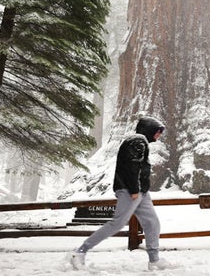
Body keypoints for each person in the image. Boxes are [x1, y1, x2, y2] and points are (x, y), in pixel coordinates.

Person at [68, 116, 174, 271]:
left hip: (141, 192)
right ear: (149, 129)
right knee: (117, 223)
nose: (159, 135)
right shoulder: (137, 141)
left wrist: (141, 190)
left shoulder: (140, 142)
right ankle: (80, 252)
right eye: (158, 131)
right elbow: (132, 166)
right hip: (131, 190)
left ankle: (154, 260)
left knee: (152, 222)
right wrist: (134, 190)